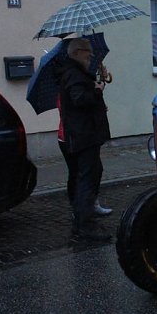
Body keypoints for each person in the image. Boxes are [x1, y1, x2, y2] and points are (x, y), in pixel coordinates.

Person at [57, 37, 112, 240]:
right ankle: (85, 224)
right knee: (86, 178)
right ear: (77, 52)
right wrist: (97, 92)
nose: (91, 54)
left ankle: (82, 218)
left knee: (88, 175)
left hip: (85, 134)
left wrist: (97, 85)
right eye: (87, 50)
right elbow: (79, 100)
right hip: (83, 136)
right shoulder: (73, 74)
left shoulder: (77, 73)